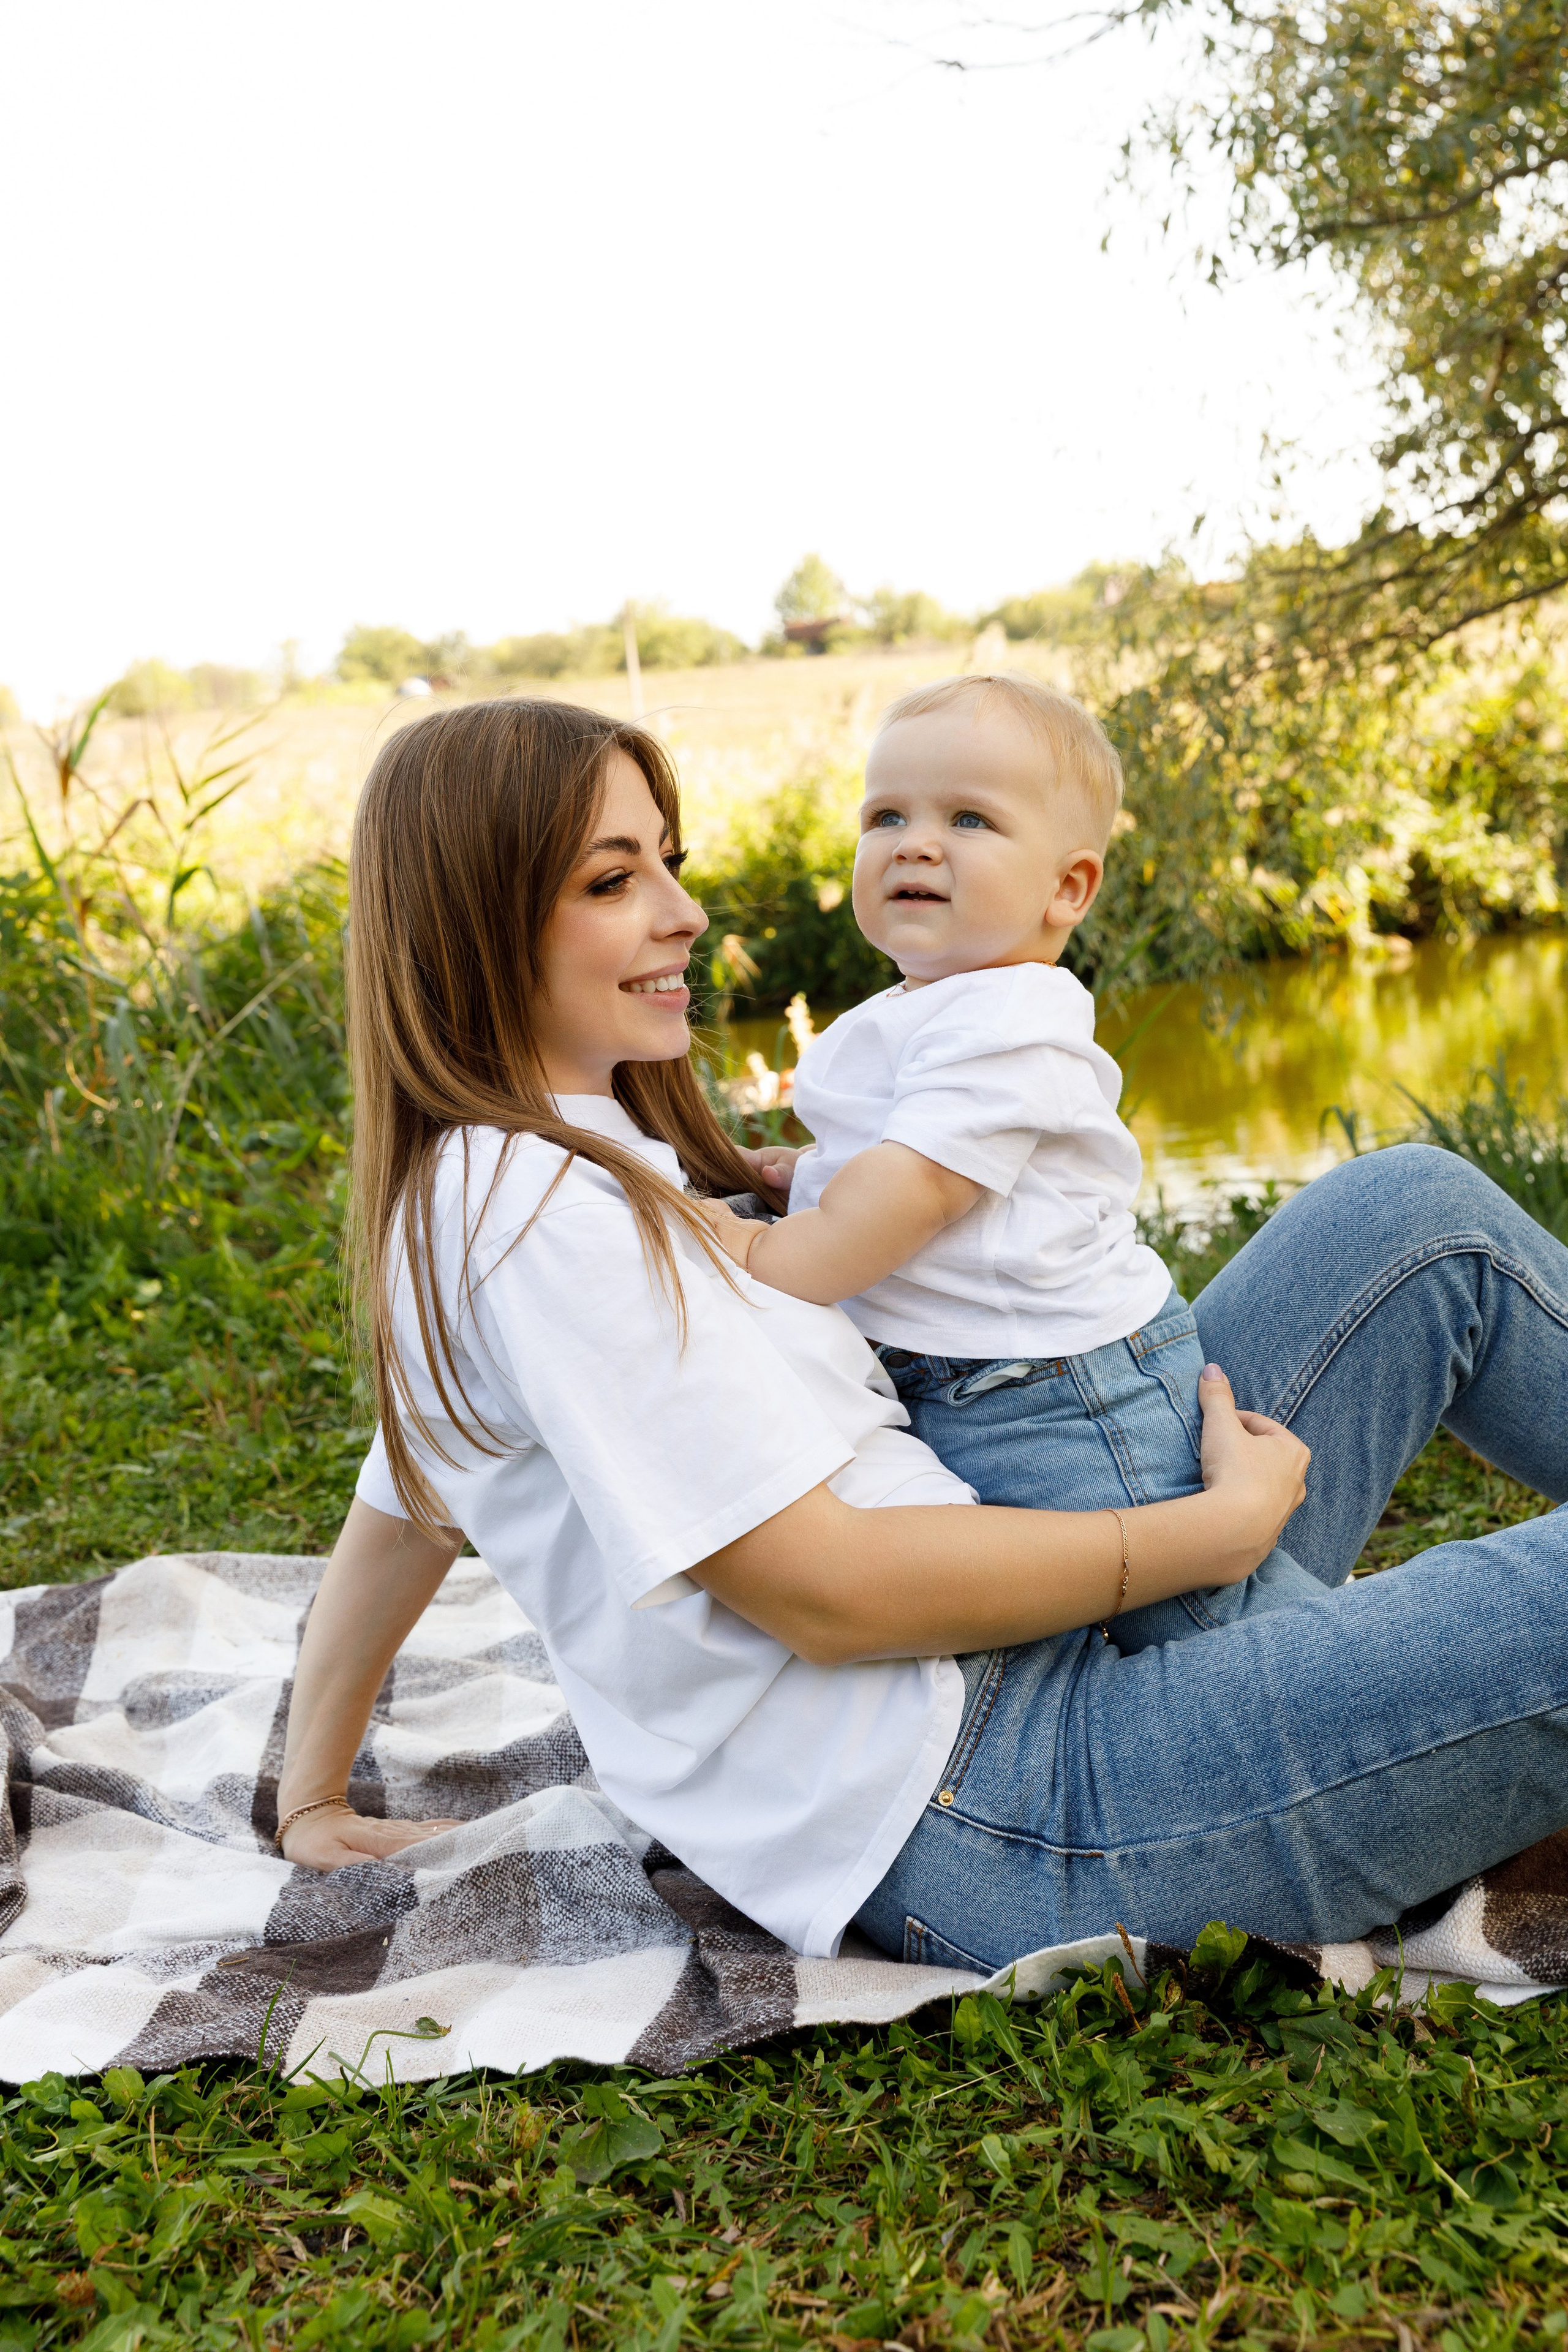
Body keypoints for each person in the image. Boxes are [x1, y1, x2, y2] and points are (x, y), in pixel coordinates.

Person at [276, 696, 1568, 1978]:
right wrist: (1210, 1536)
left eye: (669, 861)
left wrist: (310, 1791)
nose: (683, 913)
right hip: (1006, 1807)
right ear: (474, 924)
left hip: (1037, 1625)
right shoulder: (536, 1213)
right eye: (615, 880)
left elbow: (408, 1495)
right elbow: (824, 1595)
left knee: (1412, 1218)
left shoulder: (547, 1162)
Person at [703, 673, 1316, 1649]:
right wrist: (806, 1176)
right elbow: (894, 1172)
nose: (914, 841)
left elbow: (897, 1212)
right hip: (987, 1377)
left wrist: (741, 1247)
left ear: (1068, 888)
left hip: (1059, 1398)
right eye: (887, 814)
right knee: (1114, 1617)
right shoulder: (927, 1005)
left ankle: (1412, 1703)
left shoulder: (1010, 1016)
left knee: (1212, 1632)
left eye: (971, 820)